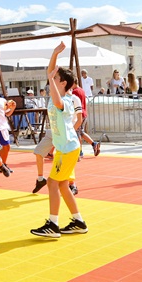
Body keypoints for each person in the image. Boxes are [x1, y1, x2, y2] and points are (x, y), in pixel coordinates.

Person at [30, 42, 88, 238]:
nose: (51, 80)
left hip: (68, 148)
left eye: (55, 79)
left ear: (63, 83)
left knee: (53, 183)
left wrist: (51, 77)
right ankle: (78, 220)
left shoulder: (67, 100)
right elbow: (50, 71)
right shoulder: (56, 92)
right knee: (62, 185)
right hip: (64, 149)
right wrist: (54, 53)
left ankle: (53, 224)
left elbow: (57, 101)